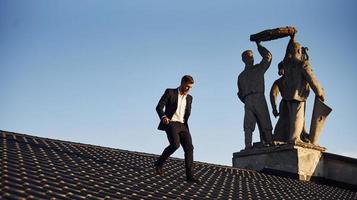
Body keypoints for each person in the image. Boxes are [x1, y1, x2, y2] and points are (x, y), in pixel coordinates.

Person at [281, 35, 325, 143]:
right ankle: (295, 138)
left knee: (291, 119)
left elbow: (288, 51)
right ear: (299, 50)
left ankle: (299, 134)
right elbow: (312, 80)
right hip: (298, 95)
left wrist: (292, 39)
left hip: (287, 96)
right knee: (298, 117)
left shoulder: (286, 64)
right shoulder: (302, 64)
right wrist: (320, 92)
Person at [155, 75, 199, 183]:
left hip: (183, 125)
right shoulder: (170, 92)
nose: (189, 89)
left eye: (191, 87)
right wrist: (164, 117)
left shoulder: (190, 98)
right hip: (171, 122)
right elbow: (159, 106)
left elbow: (186, 113)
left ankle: (190, 176)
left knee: (189, 148)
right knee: (175, 145)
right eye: (187, 86)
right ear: (182, 83)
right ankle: (159, 163)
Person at [237, 41, 273, 149]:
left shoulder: (241, 76)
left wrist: (247, 99)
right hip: (257, 98)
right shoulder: (258, 69)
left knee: (249, 124)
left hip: (248, 100)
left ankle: (249, 145)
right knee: (262, 121)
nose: (251, 59)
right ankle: (269, 142)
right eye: (249, 57)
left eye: (251, 57)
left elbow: (240, 94)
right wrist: (259, 45)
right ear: (244, 60)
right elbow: (268, 56)